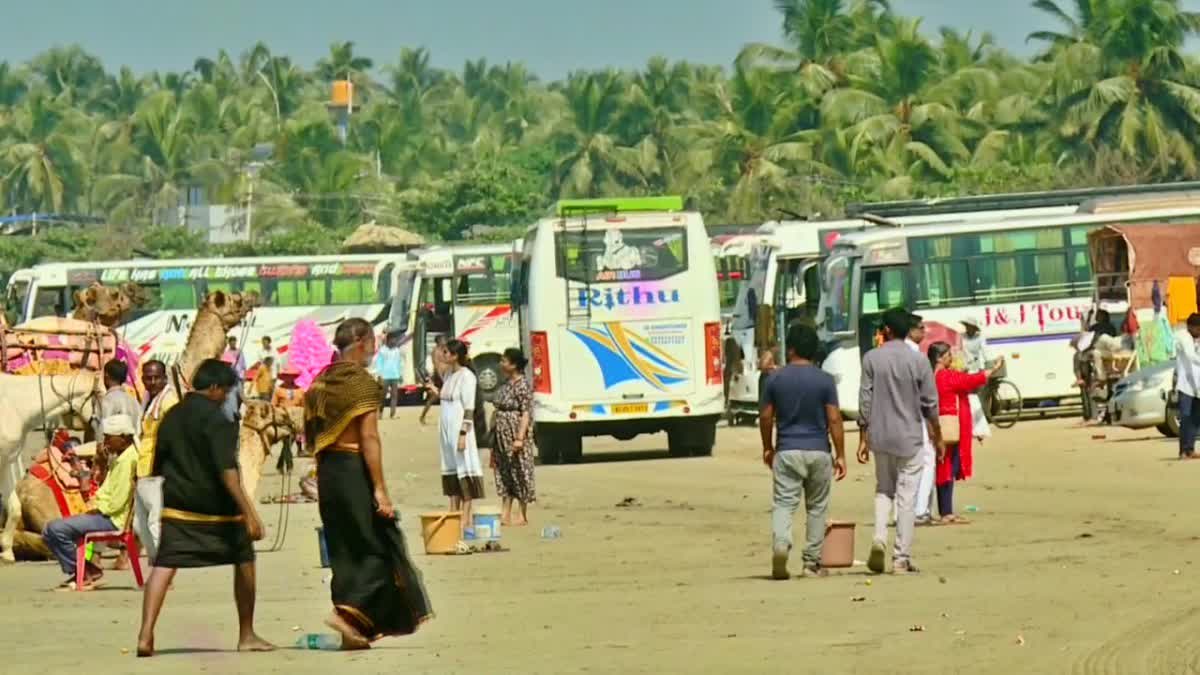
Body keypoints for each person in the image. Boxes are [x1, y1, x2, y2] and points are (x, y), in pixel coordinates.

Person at [304, 318, 433, 649]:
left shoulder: (321, 382)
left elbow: (312, 436)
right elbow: (369, 438)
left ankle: (355, 633)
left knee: (344, 548)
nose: (375, 349)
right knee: (377, 546)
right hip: (351, 468)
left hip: (329, 473)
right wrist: (380, 489)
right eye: (372, 342)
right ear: (360, 341)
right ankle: (346, 616)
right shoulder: (361, 384)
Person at [136, 359, 273, 658]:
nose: (226, 397)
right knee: (245, 558)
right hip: (217, 507)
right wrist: (249, 511)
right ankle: (247, 634)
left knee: (163, 565)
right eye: (224, 391)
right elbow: (228, 471)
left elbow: (158, 464)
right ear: (213, 387)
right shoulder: (217, 420)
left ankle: (146, 634)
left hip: (177, 504)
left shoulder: (170, 417)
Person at [857, 307, 942, 575]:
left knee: (884, 490)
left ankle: (879, 537)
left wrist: (862, 436)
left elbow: (865, 401)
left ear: (887, 330)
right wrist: (937, 435)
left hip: (880, 435)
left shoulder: (871, 358)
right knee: (907, 497)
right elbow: (930, 403)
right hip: (910, 436)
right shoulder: (918, 361)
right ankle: (900, 558)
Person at [760, 323, 846, 580]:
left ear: (792, 349)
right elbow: (834, 419)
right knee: (817, 508)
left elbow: (765, 417)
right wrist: (840, 454)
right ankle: (811, 564)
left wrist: (768, 447)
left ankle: (781, 544)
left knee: (784, 504)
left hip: (787, 450)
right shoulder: (825, 380)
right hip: (819, 450)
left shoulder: (775, 378)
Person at [42, 414, 140, 591]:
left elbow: (116, 503)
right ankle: (86, 569)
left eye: (109, 437)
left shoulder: (128, 460)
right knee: (49, 530)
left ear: (124, 438)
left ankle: (84, 572)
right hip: (105, 514)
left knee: (55, 529)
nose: (106, 441)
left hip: (110, 519)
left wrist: (94, 508)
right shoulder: (121, 456)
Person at [929, 342, 1004, 524]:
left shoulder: (934, 375)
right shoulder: (946, 376)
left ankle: (945, 511)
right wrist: (993, 369)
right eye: (947, 354)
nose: (950, 357)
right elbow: (970, 381)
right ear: (940, 358)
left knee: (943, 468)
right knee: (946, 469)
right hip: (950, 426)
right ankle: (946, 512)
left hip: (940, 424)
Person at [432, 339, 485, 547]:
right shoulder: (449, 376)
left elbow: (469, 408)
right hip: (445, 430)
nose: (444, 356)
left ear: (455, 356)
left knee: (464, 469)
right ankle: (453, 513)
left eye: (447, 353)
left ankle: (466, 518)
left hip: (459, 429)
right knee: (451, 470)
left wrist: (464, 433)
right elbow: (446, 395)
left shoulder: (467, 377)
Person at [133, 360, 177, 564]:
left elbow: (173, 438)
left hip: (157, 470)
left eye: (156, 377)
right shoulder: (149, 400)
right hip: (143, 467)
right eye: (148, 378)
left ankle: (164, 568)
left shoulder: (168, 402)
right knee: (140, 524)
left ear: (164, 378)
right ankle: (156, 564)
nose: (152, 382)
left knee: (155, 522)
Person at [491, 348, 536, 526]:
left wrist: (519, 437)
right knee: (504, 472)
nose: (501, 364)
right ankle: (505, 512)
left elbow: (525, 413)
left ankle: (522, 514)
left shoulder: (522, 385)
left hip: (515, 431)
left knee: (520, 471)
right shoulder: (505, 383)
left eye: (504, 361)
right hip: (500, 433)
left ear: (514, 365)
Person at [905, 315, 938, 527]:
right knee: (927, 461)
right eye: (920, 328)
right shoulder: (917, 357)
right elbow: (927, 397)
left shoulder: (882, 354)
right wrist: (934, 425)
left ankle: (903, 512)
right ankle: (919, 510)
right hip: (916, 417)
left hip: (894, 420)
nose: (924, 331)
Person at [96, 359, 142, 441]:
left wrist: (99, 443)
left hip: (115, 449)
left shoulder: (108, 400)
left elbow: (104, 427)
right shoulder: (133, 400)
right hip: (134, 448)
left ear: (106, 376)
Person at [1175, 314, 1200, 459]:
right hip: (1186, 385)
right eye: (1198, 329)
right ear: (1190, 327)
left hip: (1197, 386)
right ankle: (1183, 450)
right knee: (1186, 417)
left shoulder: (1195, 339)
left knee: (1196, 419)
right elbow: (1191, 356)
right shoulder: (1183, 337)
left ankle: (1190, 449)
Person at [373, 332, 405, 419]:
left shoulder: (397, 350)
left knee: (394, 395)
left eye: (395, 340)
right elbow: (379, 363)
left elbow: (400, 363)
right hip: (385, 376)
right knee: (382, 396)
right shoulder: (382, 350)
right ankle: (380, 412)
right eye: (392, 339)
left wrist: (400, 374)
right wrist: (379, 375)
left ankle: (392, 414)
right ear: (388, 340)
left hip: (395, 375)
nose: (394, 341)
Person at [419, 336, 449, 426]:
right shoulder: (436, 351)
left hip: (445, 375)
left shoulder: (444, 350)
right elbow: (437, 365)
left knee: (438, 397)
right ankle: (422, 416)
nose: (445, 341)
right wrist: (442, 377)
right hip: (439, 376)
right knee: (435, 397)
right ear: (438, 341)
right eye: (443, 340)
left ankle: (423, 416)